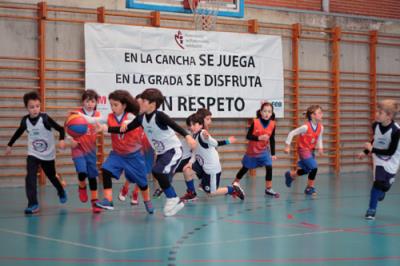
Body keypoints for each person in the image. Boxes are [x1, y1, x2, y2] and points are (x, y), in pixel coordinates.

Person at [104, 88, 196, 217]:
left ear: (153, 104)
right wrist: (106, 128)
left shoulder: (159, 116)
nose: (140, 102)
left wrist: (188, 136)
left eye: (144, 101)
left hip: (173, 150)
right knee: (158, 173)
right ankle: (175, 201)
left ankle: (173, 197)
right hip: (161, 152)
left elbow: (175, 126)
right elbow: (124, 130)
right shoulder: (141, 118)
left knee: (158, 171)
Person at [83, 90, 154, 214]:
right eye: (111, 105)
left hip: (134, 156)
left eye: (116, 105)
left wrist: (114, 127)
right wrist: (79, 116)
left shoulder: (131, 117)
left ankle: (147, 201)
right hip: (118, 154)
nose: (113, 108)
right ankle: (108, 200)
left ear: (124, 105)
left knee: (142, 182)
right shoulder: (109, 117)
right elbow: (92, 120)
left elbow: (129, 125)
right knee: (105, 170)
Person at [5, 91, 67, 214]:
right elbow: (18, 132)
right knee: (30, 177)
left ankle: (60, 190)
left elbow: (60, 129)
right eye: (32, 107)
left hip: (48, 155)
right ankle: (33, 204)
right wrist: (10, 145)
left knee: (52, 176)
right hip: (33, 154)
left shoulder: (45, 118)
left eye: (37, 106)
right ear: (27, 108)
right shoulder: (25, 121)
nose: (35, 109)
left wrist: (61, 140)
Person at [186, 114, 245, 199]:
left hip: (212, 169)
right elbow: (195, 151)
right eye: (190, 125)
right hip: (203, 166)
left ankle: (233, 189)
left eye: (194, 124)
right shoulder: (194, 135)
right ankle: (193, 193)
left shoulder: (202, 134)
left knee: (211, 193)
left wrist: (209, 138)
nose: (191, 127)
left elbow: (215, 143)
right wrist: (190, 162)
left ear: (200, 125)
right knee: (187, 170)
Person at [358, 99, 400, 220]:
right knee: (378, 182)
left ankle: (382, 191)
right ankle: (371, 209)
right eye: (377, 111)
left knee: (385, 186)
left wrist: (371, 149)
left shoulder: (396, 131)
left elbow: (390, 151)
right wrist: (365, 152)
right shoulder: (375, 125)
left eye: (380, 112)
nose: (376, 114)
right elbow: (375, 140)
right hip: (379, 158)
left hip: (393, 158)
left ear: (389, 116)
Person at [232, 102, 279, 197]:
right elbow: (248, 136)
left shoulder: (273, 124)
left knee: (269, 166)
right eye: (265, 111)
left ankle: (268, 188)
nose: (267, 113)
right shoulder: (255, 122)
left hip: (264, 151)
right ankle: (234, 183)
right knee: (245, 168)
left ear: (272, 113)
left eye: (269, 111)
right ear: (261, 112)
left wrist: (273, 154)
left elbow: (272, 139)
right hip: (252, 151)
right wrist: (259, 138)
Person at [69, 89, 102, 213]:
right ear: (83, 102)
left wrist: (101, 129)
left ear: (96, 103)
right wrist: (70, 139)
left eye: (92, 101)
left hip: (91, 150)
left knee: (93, 176)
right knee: (82, 173)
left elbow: (103, 127)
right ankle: (82, 186)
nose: (90, 104)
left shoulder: (98, 115)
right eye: (87, 101)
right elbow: (67, 128)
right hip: (78, 148)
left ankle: (95, 202)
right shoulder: (76, 114)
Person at [284, 105, 324, 196]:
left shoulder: (321, 127)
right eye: (319, 113)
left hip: (311, 151)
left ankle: (291, 175)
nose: (322, 114)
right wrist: (287, 146)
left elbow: (319, 138)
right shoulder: (305, 127)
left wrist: (320, 147)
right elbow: (292, 133)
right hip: (303, 150)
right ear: (313, 115)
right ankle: (309, 188)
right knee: (314, 168)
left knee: (307, 170)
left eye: (322, 112)